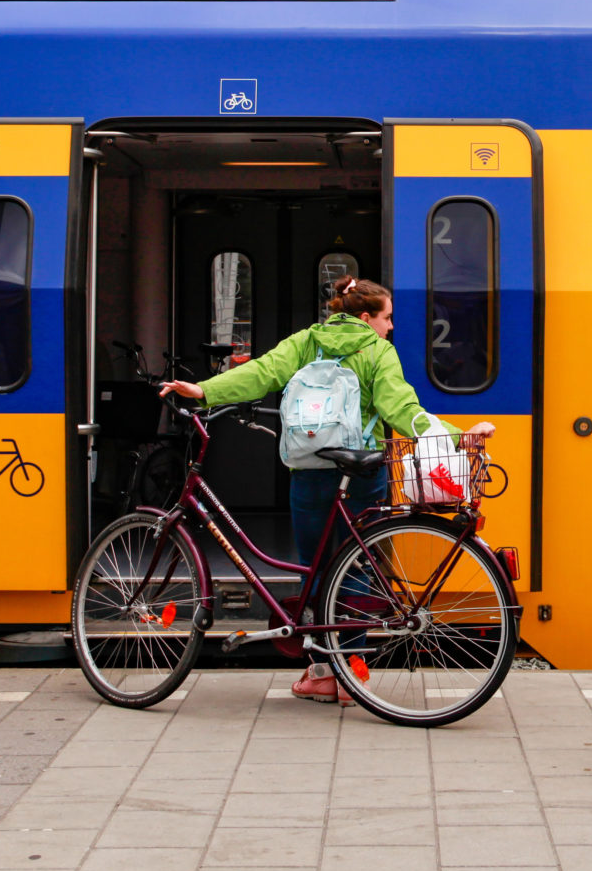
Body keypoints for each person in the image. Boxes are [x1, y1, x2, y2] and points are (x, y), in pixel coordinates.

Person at [158, 275, 494, 704]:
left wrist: (204, 390)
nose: (390, 327)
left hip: (310, 471)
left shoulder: (305, 342)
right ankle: (353, 672)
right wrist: (456, 435)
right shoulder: (377, 352)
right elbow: (402, 409)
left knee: (315, 570)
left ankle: (320, 673)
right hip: (362, 473)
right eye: (387, 318)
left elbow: (261, 373)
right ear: (366, 316)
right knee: (358, 569)